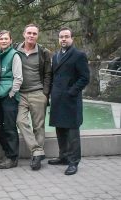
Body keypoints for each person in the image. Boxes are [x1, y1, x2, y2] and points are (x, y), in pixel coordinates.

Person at [48, 27, 90, 175]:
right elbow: (53, 77)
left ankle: (73, 162)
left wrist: (71, 92)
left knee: (72, 134)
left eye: (66, 36)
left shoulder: (79, 55)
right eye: (61, 37)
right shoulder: (55, 56)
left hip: (71, 100)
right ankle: (63, 156)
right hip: (58, 99)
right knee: (60, 130)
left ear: (72, 38)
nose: (63, 39)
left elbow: (85, 78)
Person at [16, 24, 52, 170]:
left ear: (37, 35)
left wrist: (45, 93)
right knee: (20, 121)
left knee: (38, 126)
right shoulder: (15, 50)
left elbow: (48, 74)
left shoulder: (44, 52)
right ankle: (37, 150)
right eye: (29, 33)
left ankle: (36, 157)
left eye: (34, 33)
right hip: (21, 93)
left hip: (38, 92)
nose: (31, 35)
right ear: (24, 34)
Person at [0, 30, 23, 169]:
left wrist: (12, 93)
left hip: (9, 96)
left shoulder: (14, 55)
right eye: (1, 39)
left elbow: (18, 78)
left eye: (6, 38)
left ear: (11, 40)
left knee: (10, 128)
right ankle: (7, 153)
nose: (4, 41)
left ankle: (13, 158)